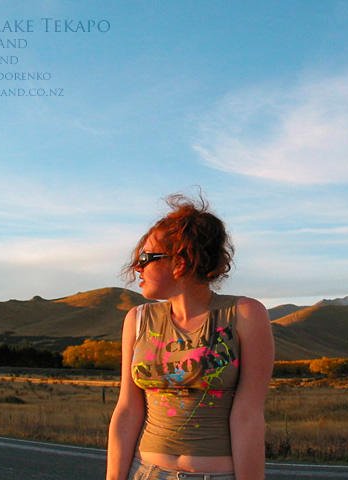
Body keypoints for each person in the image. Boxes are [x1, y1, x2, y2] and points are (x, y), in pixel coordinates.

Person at [106, 193, 274, 480]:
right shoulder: (137, 320)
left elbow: (248, 417)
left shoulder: (245, 315)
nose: (138, 268)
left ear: (180, 262)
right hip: (144, 472)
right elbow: (127, 410)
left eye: (146, 258)